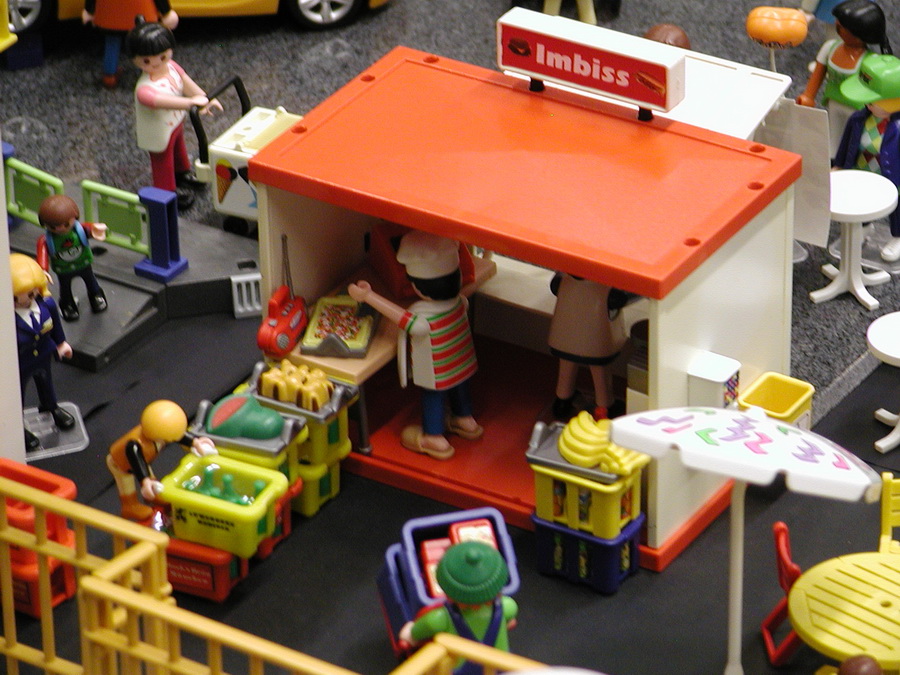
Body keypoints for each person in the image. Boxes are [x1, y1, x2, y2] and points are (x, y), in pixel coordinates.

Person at [347, 231, 482, 460]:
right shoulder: (460, 301)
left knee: (433, 397)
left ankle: (433, 437)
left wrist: (368, 296)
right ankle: (465, 420)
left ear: (419, 287)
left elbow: (400, 317)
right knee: (460, 388)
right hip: (462, 363)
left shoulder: (424, 318)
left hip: (438, 373)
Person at [124, 17, 221, 210]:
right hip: (157, 131)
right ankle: (166, 191)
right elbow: (163, 101)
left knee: (179, 149)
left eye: (162, 57)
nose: (156, 63)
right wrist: (190, 103)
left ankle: (182, 173)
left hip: (175, 122)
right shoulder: (145, 89)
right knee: (162, 161)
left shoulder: (172, 67)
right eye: (147, 61)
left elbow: (187, 83)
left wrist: (205, 98)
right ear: (135, 60)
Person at [399, 541, 517, 675]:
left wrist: (410, 634)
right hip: (500, 668)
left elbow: (417, 632)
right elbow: (510, 621)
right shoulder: (507, 605)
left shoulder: (439, 618)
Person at [796, 0, 891, 154]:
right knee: (833, 134)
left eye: (841, 26)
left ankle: (852, 157)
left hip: (858, 108)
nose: (836, 26)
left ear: (859, 34)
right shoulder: (830, 47)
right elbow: (818, 73)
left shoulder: (869, 60)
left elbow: (876, 89)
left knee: (855, 136)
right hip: (833, 101)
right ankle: (833, 156)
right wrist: (808, 95)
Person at [833, 53, 900, 261]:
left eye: (873, 101)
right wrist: (839, 165)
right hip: (861, 170)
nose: (868, 105)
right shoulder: (858, 118)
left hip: (893, 177)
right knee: (860, 200)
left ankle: (898, 237)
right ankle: (863, 227)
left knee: (898, 209)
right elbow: (846, 143)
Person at [107, 400, 216, 521]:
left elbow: (177, 435)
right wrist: (145, 481)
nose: (170, 440)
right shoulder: (134, 445)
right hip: (120, 463)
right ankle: (130, 506)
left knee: (150, 478)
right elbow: (138, 464)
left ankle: (154, 496)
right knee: (127, 483)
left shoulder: (158, 433)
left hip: (144, 460)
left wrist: (195, 442)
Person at [11, 253, 75, 451]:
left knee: (46, 383)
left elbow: (55, 326)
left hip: (44, 355)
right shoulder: (7, 318)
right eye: (15, 298)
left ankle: (51, 407)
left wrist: (61, 343)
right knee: (17, 396)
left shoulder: (46, 305)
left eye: (30, 295)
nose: (24, 302)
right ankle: (16, 425)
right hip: (18, 364)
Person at [548, 274, 628, 421]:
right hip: (594, 336)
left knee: (566, 366)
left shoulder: (565, 278)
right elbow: (619, 298)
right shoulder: (604, 285)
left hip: (565, 333)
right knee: (599, 372)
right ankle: (605, 405)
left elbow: (555, 286)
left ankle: (562, 401)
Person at [36, 194, 108, 322]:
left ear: (75, 217)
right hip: (63, 269)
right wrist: (43, 270)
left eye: (65, 224)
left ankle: (96, 296)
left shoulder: (79, 230)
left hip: (83, 263)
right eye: (53, 226)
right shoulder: (47, 240)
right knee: (65, 288)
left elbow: (90, 229)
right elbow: (42, 254)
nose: (60, 229)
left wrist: (95, 229)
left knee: (91, 281)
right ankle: (67, 304)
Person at [82, 0, 179, 88]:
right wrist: (166, 12)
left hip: (111, 15)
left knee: (112, 42)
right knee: (146, 43)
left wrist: (89, 10)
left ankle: (109, 76)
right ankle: (154, 71)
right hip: (142, 12)